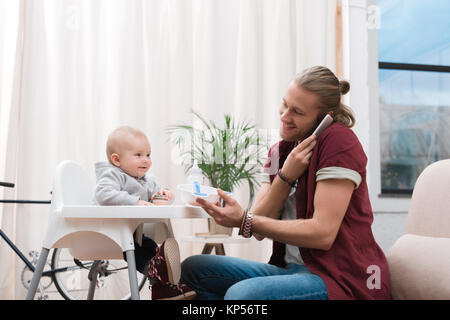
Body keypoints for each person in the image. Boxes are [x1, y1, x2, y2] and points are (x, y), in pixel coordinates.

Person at [180, 66, 391, 300]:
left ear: (325, 117)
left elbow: (323, 234)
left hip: (339, 279)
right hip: (290, 271)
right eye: (285, 104)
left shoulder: (339, 143)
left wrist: (243, 219)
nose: (284, 116)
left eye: (297, 112)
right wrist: (285, 177)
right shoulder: (279, 152)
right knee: (193, 270)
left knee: (243, 295)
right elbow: (257, 227)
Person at [95, 125, 195, 300]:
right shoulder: (112, 174)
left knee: (149, 247)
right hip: (108, 232)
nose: (146, 160)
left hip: (132, 233)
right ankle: (158, 272)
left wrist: (164, 195)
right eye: (138, 155)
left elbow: (156, 198)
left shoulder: (146, 179)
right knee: (136, 248)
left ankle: (162, 281)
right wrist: (135, 201)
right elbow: (103, 195)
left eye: (148, 155)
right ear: (117, 160)